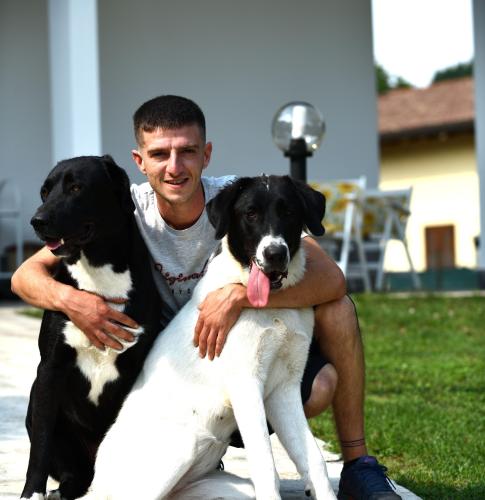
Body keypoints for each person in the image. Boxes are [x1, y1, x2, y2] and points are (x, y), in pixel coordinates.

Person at [12, 95, 400, 500]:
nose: (174, 167)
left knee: (338, 312)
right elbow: (26, 277)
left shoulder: (242, 200)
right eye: (159, 154)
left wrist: (237, 296)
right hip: (181, 379)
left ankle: (358, 465)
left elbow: (332, 279)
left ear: (206, 155)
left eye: (187, 151)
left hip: (239, 361)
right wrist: (75, 302)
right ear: (139, 161)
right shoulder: (127, 208)